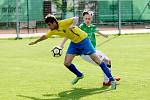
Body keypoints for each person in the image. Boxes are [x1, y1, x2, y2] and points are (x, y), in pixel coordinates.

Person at [29, 14, 117, 89]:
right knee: (66, 63)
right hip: (74, 43)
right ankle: (79, 75)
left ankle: (111, 79)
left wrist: (73, 25)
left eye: (49, 24)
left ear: (54, 22)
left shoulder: (63, 23)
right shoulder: (53, 30)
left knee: (97, 60)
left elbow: (75, 18)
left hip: (84, 40)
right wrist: (35, 42)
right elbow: (45, 36)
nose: (49, 27)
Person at [59, 10, 120, 86]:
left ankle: (108, 79)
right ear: (83, 19)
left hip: (93, 51)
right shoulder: (81, 27)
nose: (87, 20)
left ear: (92, 19)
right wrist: (61, 45)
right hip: (86, 53)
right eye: (86, 18)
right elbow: (68, 35)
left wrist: (104, 35)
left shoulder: (92, 27)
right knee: (105, 62)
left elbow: (96, 31)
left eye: (89, 19)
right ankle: (108, 81)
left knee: (108, 61)